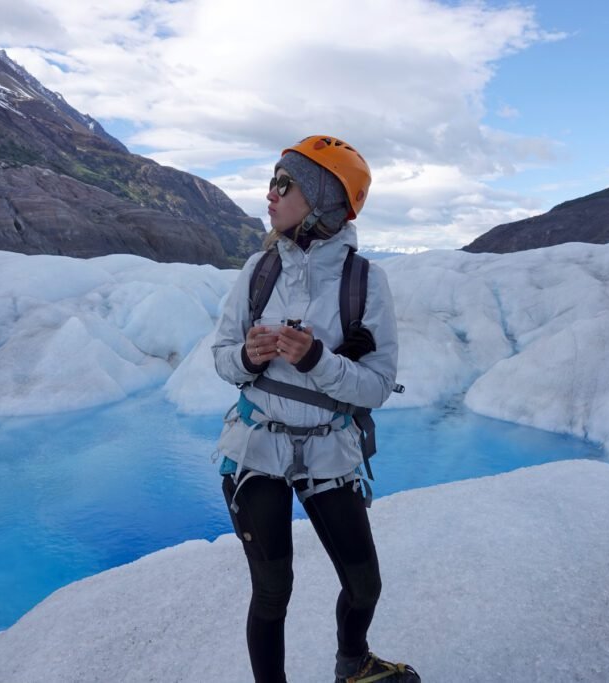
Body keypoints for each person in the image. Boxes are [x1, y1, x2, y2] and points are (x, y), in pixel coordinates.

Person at [211, 135, 419, 683]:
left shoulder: (365, 281)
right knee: (272, 590)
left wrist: (316, 360)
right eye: (273, 181)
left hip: (329, 449)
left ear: (324, 199)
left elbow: (376, 387)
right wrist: (247, 357)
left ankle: (353, 665)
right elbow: (221, 359)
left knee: (363, 584)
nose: (270, 194)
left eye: (285, 183)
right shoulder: (257, 271)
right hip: (257, 448)